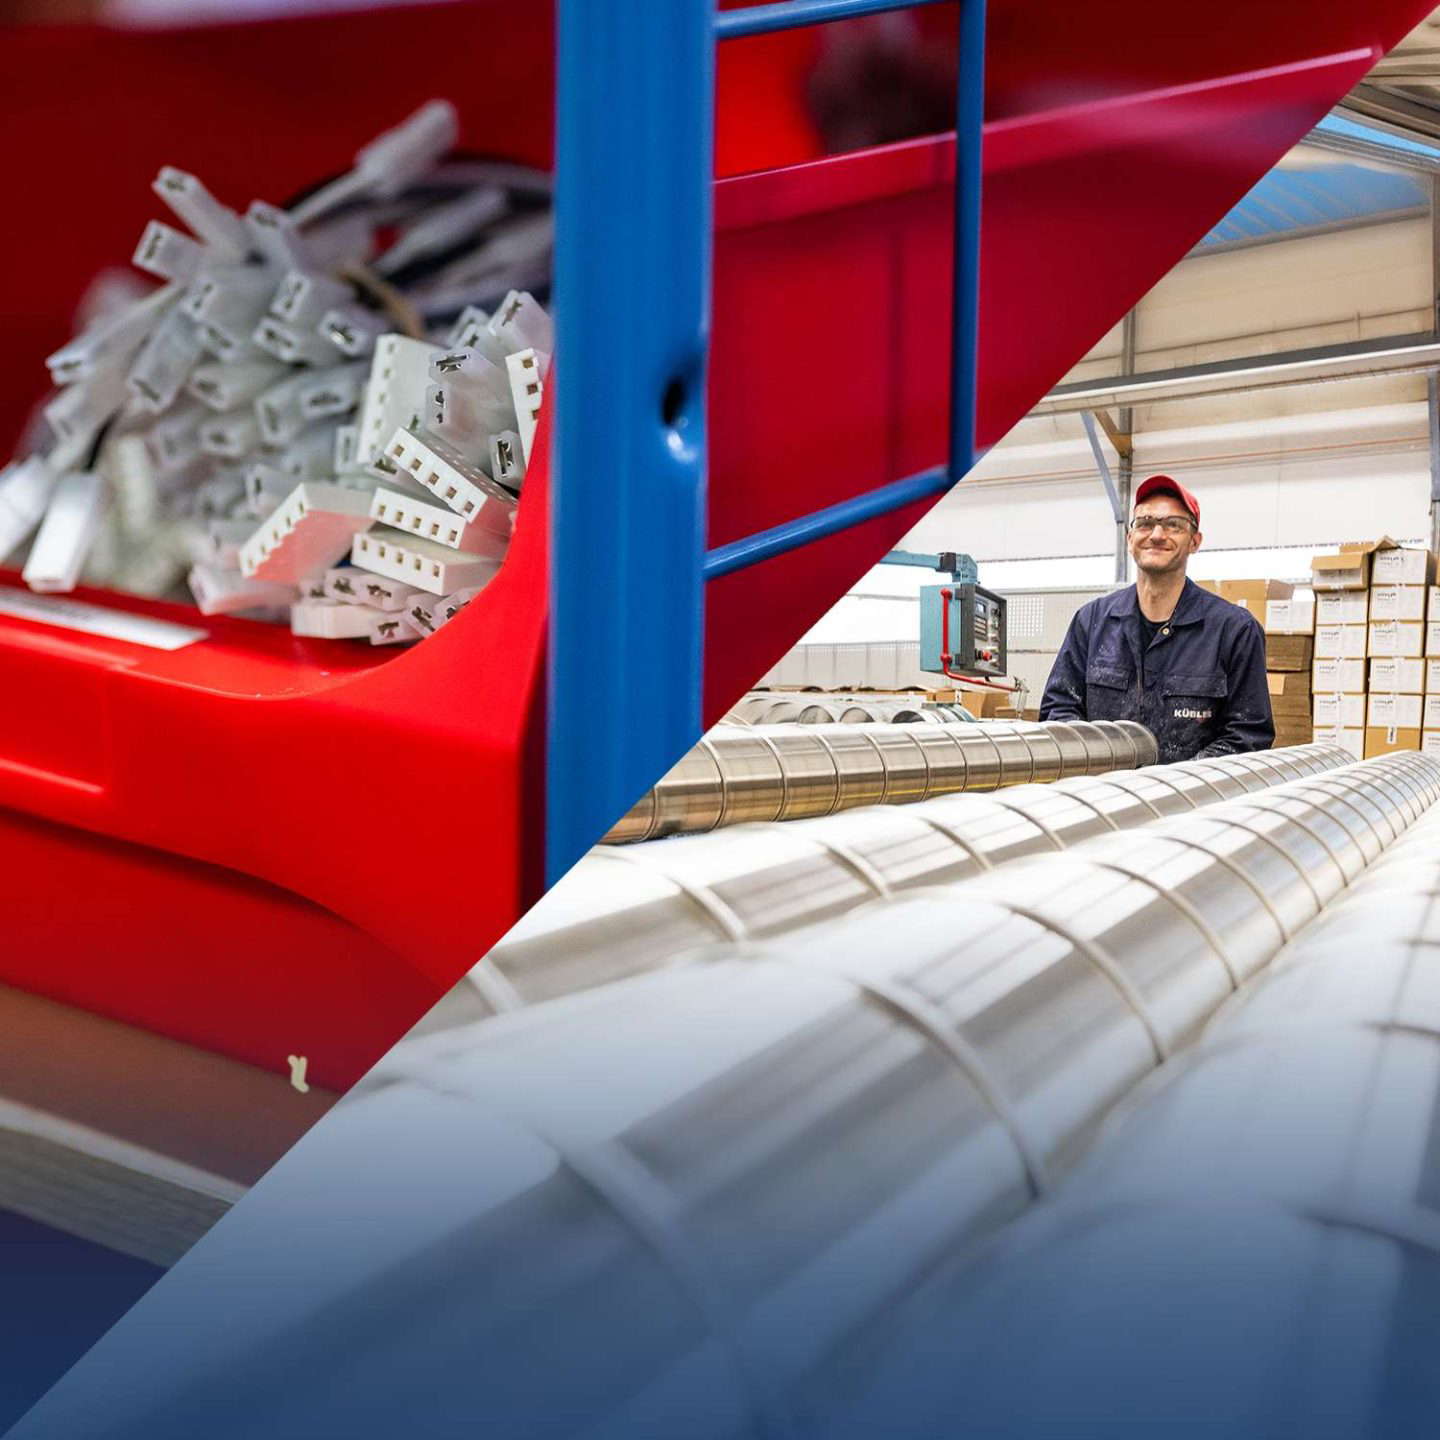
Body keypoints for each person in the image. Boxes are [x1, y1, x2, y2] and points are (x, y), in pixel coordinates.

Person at [1039, 476, 1274, 763]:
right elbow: (1059, 709)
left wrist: (1170, 786)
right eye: (1145, 523)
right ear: (1130, 538)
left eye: (1173, 524)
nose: (1157, 534)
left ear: (1195, 542)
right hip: (1102, 796)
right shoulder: (1092, 622)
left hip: (1194, 802)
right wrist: (1094, 766)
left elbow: (1248, 736)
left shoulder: (1234, 630)